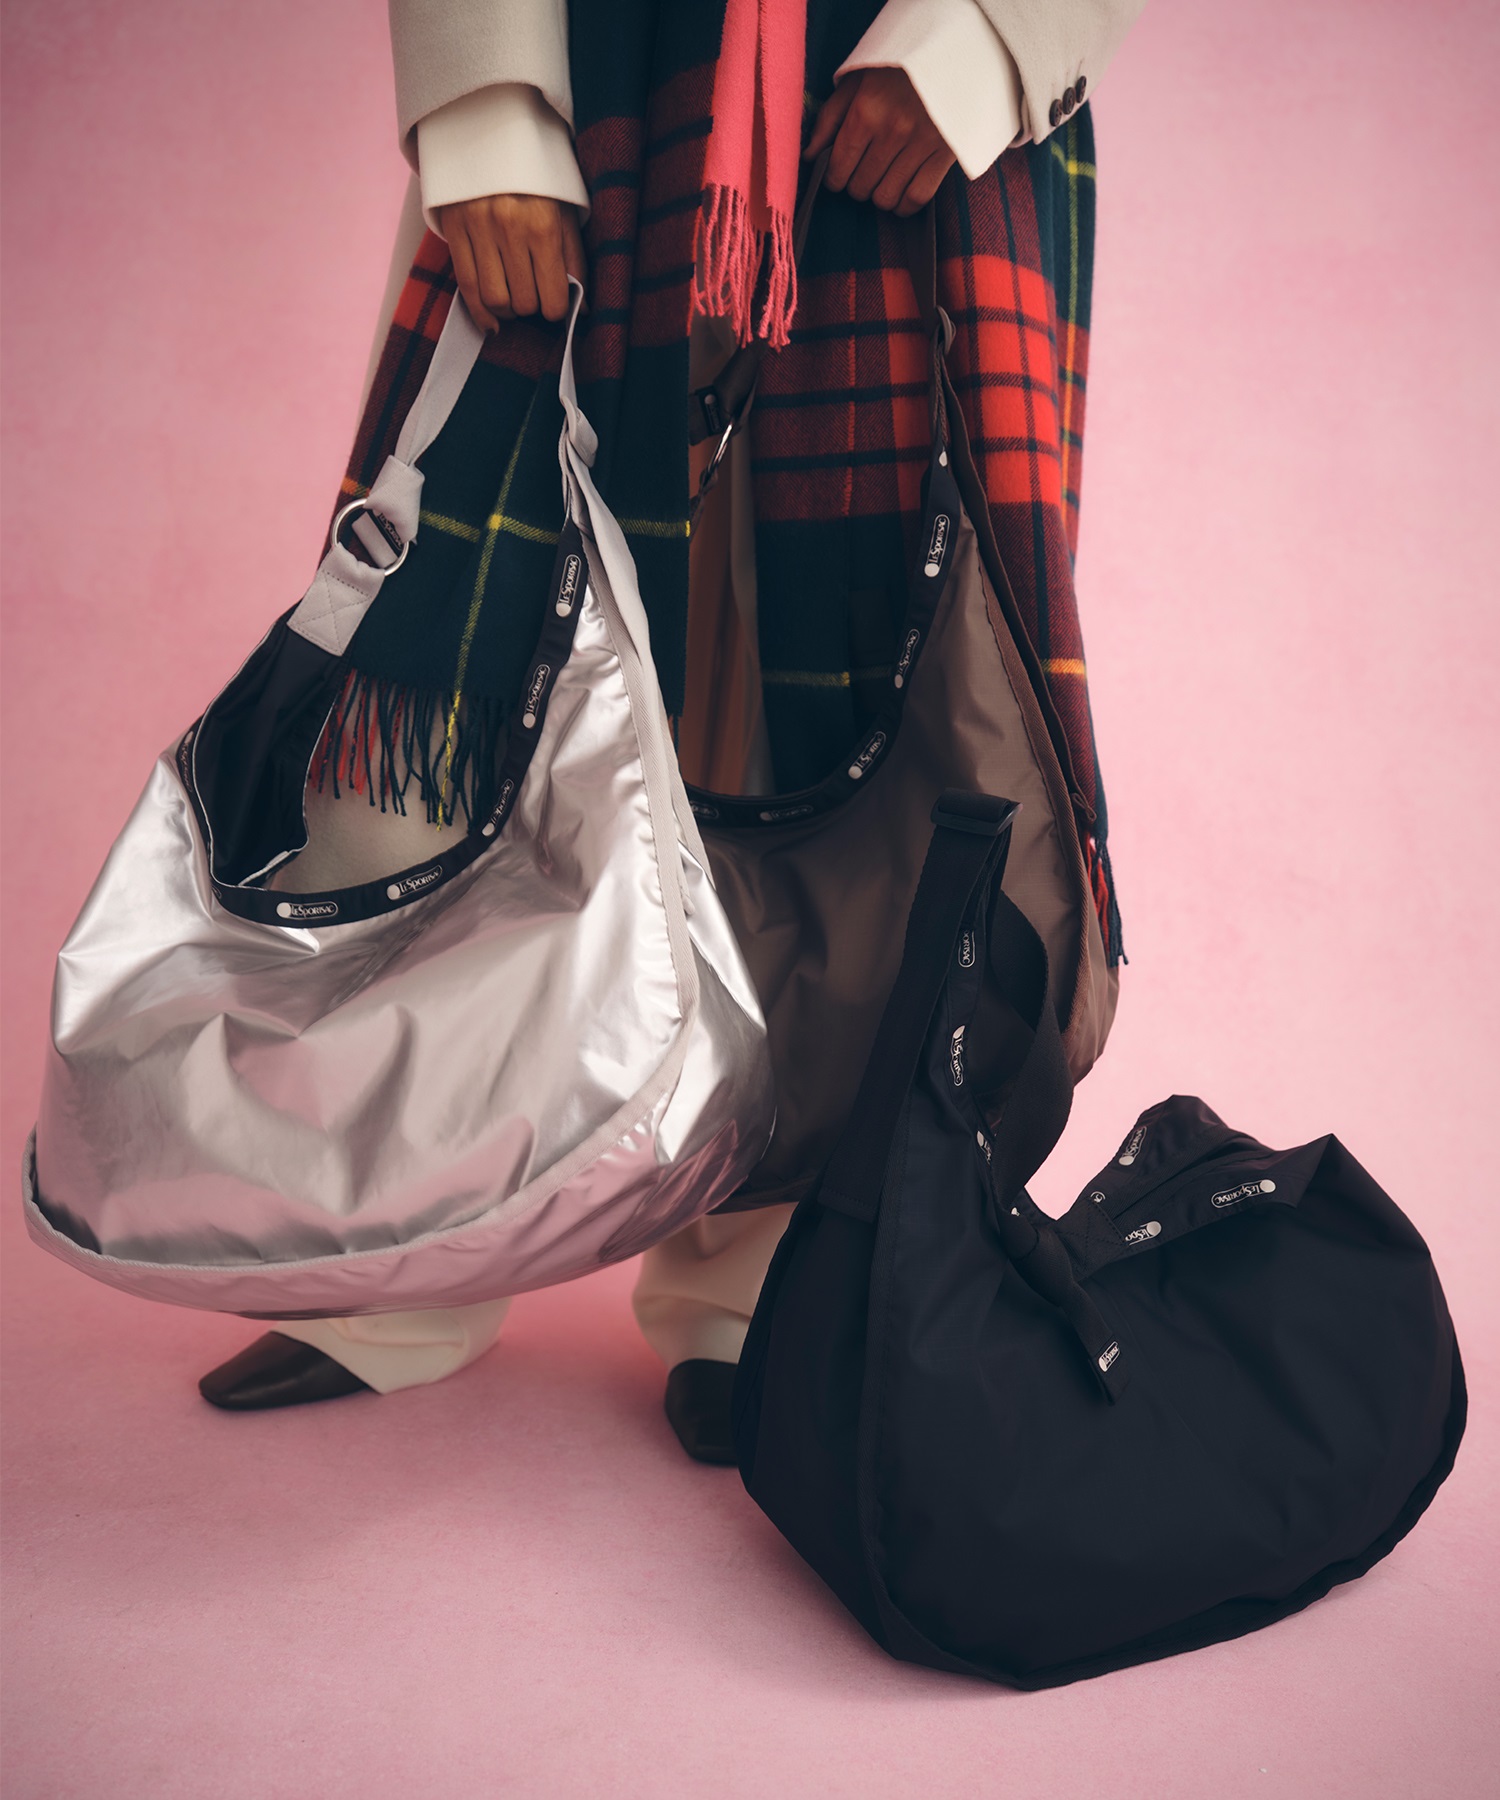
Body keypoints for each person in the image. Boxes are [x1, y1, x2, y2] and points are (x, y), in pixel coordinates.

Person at [199, 0, 1143, 1458]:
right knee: (462, 676)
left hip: (906, 105)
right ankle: (404, 1250)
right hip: (598, 73)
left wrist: (978, 36)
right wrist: (486, 101)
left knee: (828, 704)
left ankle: (756, 1282)